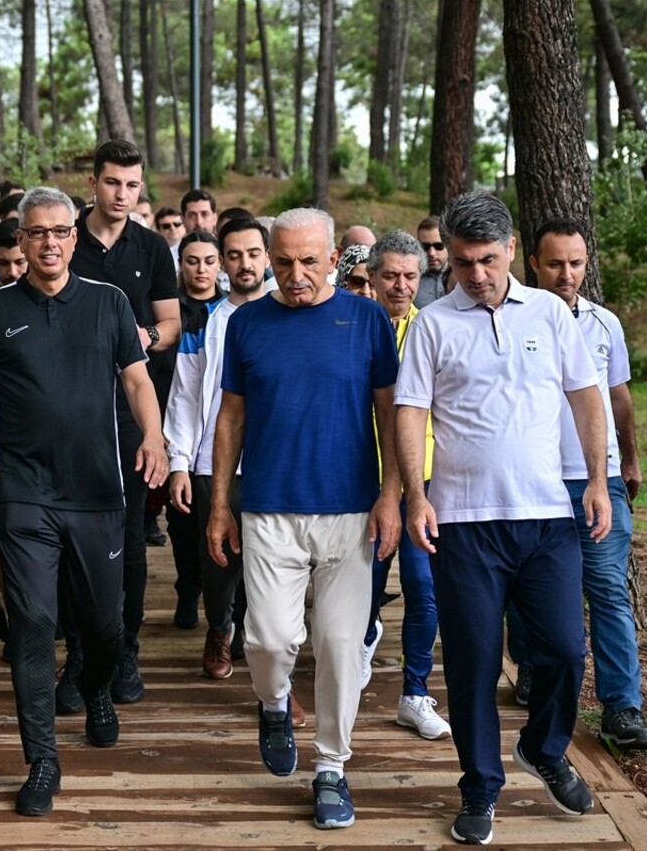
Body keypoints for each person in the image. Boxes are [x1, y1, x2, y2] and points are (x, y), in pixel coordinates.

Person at [394, 192, 608, 846]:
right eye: (463, 262)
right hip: (464, 524)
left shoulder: (548, 312)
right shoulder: (433, 323)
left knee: (567, 651)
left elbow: (586, 396)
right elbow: (410, 410)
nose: (477, 273)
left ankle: (545, 748)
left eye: (488, 259)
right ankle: (480, 786)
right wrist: (414, 493)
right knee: (472, 662)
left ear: (511, 250)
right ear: (449, 259)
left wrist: (598, 480)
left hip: (547, 518)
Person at [0, 187, 167, 818]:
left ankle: (97, 685)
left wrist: (155, 438)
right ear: (20, 241)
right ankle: (42, 758)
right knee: (33, 624)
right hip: (22, 492)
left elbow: (136, 379)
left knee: (106, 626)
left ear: (74, 237)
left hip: (98, 490)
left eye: (59, 231)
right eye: (36, 233)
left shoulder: (110, 303)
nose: (48, 242)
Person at [207, 206, 401, 831]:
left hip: (351, 509)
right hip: (268, 506)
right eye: (282, 262)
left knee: (341, 646)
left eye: (308, 262)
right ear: (267, 257)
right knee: (267, 640)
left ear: (334, 258)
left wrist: (394, 492)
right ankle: (274, 702)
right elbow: (230, 417)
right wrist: (219, 504)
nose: (295, 275)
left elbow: (391, 415)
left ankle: (331, 771)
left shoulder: (367, 319)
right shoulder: (246, 323)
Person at [508, 218, 647, 750]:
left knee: (608, 589)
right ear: (533, 264)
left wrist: (628, 462)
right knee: (530, 587)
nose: (566, 274)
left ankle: (622, 707)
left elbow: (619, 399)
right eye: (554, 264)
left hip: (598, 479)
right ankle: (528, 665)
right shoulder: (515, 319)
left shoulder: (603, 324)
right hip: (534, 480)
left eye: (575, 263)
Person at [66, 140, 180, 708]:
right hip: (70, 413)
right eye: (113, 183)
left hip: (134, 412)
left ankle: (125, 649)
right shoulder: (67, 240)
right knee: (68, 538)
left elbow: (171, 322)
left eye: (133, 185)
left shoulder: (154, 247)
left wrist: (147, 339)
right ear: (94, 183)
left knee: (130, 537)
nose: (122, 195)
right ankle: (80, 653)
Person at [166, 219, 270, 681]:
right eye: (235, 255)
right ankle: (218, 629)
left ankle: (258, 632)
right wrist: (179, 463)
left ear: (266, 256)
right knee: (219, 557)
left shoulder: (285, 311)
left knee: (268, 554)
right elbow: (185, 395)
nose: (244, 264)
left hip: (273, 459)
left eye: (253, 253)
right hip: (216, 459)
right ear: (224, 262)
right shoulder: (205, 321)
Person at [357, 231, 451, 741]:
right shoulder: (351, 326)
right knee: (362, 589)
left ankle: (415, 691)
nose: (400, 285)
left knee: (424, 588)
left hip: (424, 479)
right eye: (389, 275)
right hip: (362, 480)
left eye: (410, 276)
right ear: (371, 277)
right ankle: (361, 644)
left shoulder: (433, 329)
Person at [154, 231, 223, 633]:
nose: (201, 268)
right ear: (182, 264)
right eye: (192, 260)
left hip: (209, 424)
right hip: (167, 415)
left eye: (208, 260)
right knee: (179, 517)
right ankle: (188, 587)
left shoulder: (231, 310)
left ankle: (223, 606)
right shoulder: (169, 310)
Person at [413, 215, 449, 308]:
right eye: (425, 246)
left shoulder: (462, 277)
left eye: (438, 246)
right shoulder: (409, 279)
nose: (432, 253)